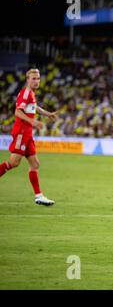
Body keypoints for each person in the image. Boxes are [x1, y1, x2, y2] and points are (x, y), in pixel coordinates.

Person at [0, 68, 58, 205]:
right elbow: (17, 112)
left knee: (35, 164)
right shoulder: (26, 93)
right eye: (33, 78)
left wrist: (47, 114)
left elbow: (35, 107)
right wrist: (33, 121)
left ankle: (39, 196)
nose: (36, 81)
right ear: (27, 79)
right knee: (13, 163)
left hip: (27, 133)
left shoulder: (31, 93)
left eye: (38, 78)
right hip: (21, 132)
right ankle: (38, 195)